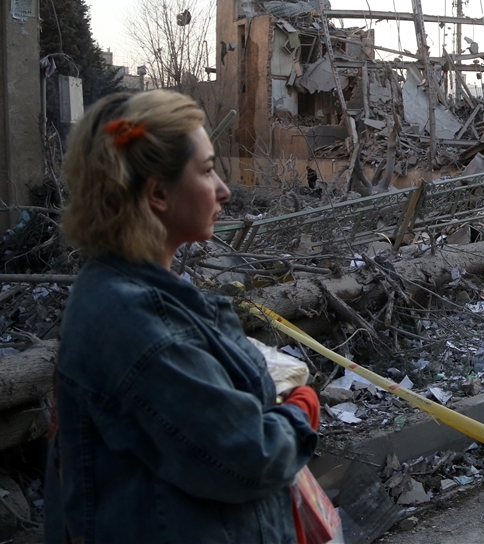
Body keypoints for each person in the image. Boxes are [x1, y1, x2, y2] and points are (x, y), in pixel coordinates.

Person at [45, 90, 319, 544]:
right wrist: (300, 414)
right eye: (208, 170)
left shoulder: (132, 291)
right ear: (157, 193)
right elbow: (244, 456)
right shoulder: (135, 319)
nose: (225, 190)